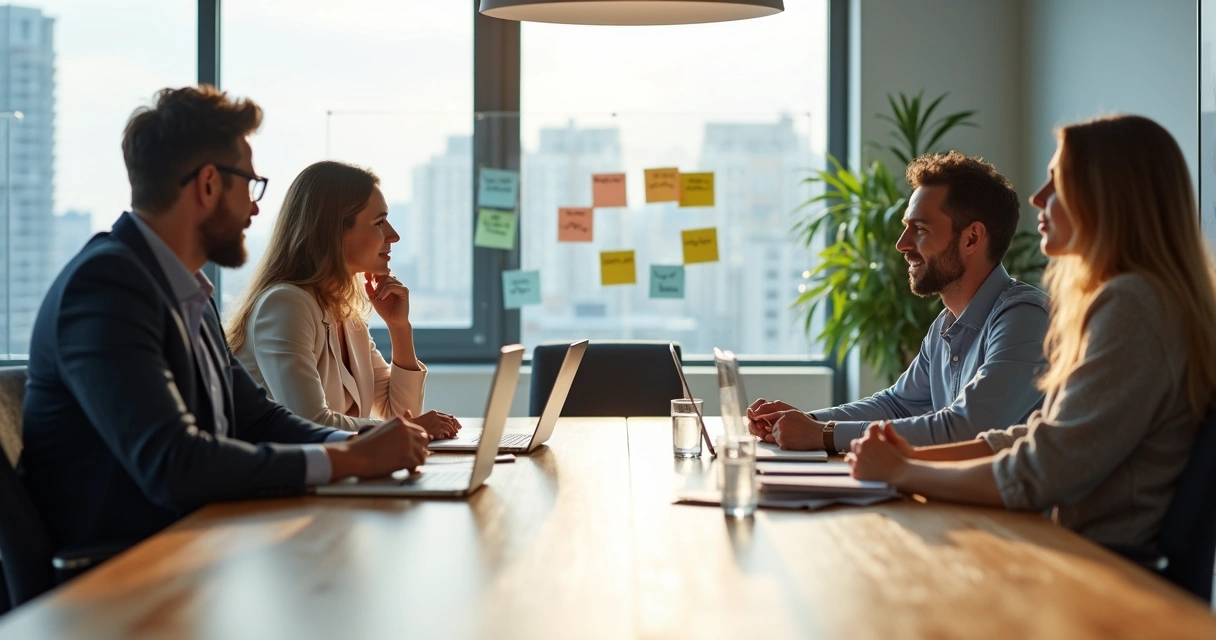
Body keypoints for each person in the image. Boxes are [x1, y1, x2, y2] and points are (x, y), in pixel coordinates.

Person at [20, 85, 430, 550]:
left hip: (196, 548)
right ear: (209, 183)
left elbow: (259, 421)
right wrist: (348, 460)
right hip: (123, 580)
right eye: (250, 186)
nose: (256, 208)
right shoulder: (106, 287)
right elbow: (175, 464)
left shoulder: (185, 291)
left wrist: (364, 445)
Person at [848, 115, 1216, 547]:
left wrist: (903, 471)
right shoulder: (1135, 298)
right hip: (1075, 555)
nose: (1039, 198)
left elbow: (1044, 470)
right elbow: (1034, 436)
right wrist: (909, 456)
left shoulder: (1132, 304)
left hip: (1103, 572)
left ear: (1109, 198)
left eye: (1057, 182)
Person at [750, 152, 1049, 454]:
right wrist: (805, 422)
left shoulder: (1025, 317)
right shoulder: (946, 325)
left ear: (971, 239)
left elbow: (970, 428)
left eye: (920, 229)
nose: (902, 244)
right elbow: (897, 405)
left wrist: (824, 434)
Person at [226, 161, 459, 438]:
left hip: (333, 476)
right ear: (333, 232)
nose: (393, 235)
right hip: (276, 479)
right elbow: (310, 425)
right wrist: (413, 427)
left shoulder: (347, 314)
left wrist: (399, 328)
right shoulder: (285, 305)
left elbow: (399, 416)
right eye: (379, 222)